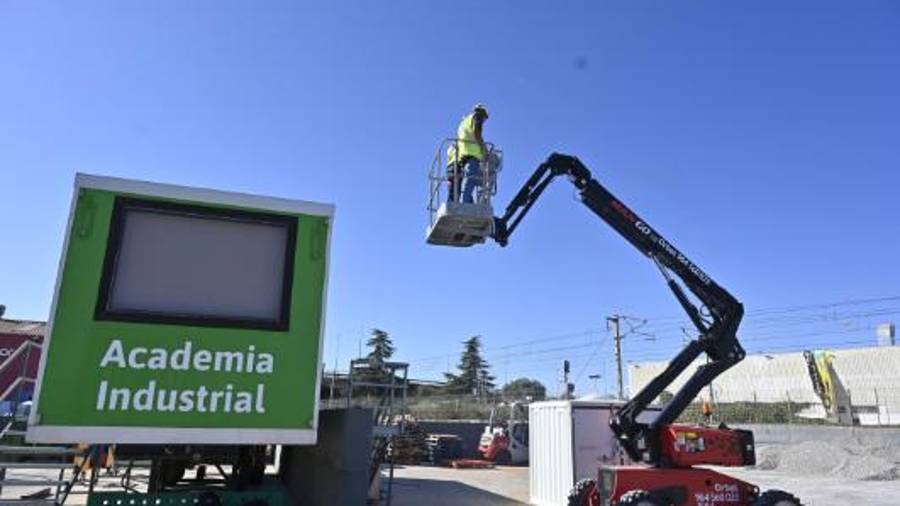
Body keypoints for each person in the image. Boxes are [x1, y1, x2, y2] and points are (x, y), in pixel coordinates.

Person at [448, 104, 489, 203]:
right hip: (472, 155)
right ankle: (465, 202)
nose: (484, 121)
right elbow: (477, 133)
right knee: (470, 180)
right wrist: (484, 148)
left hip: (463, 156)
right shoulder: (477, 117)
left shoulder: (464, 122)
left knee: (466, 181)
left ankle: (468, 202)